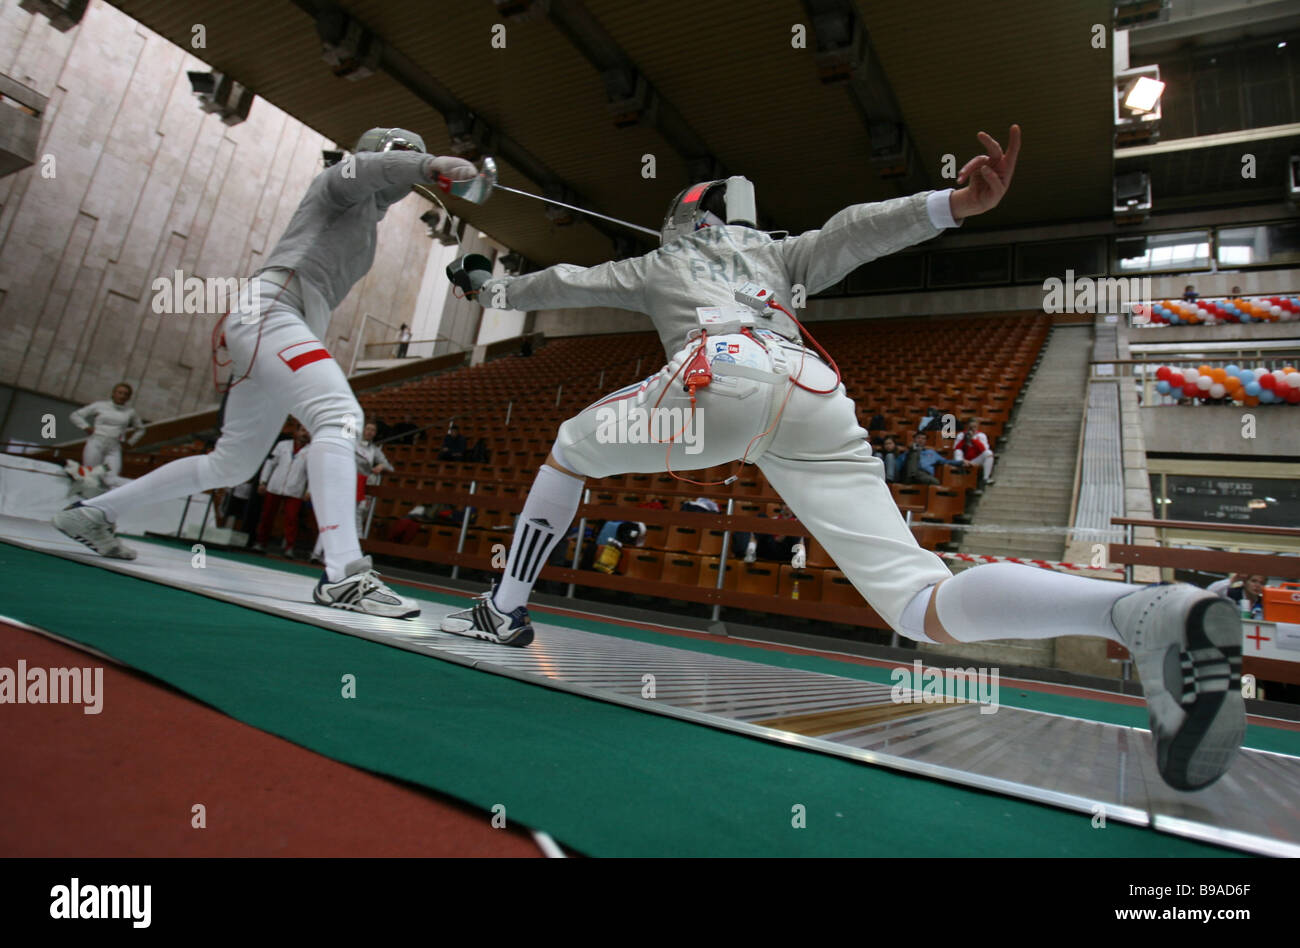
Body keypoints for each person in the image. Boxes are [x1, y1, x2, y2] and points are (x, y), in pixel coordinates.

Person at [440, 125, 1242, 792]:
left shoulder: (659, 262)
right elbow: (857, 229)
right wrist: (953, 204)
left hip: (714, 381)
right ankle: (1138, 612)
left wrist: (486, 284)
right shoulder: (780, 257)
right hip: (813, 392)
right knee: (918, 597)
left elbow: (565, 282)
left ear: (682, 218)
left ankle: (505, 609)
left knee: (570, 448)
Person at [52, 127, 478, 617]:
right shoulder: (338, 183)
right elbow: (368, 169)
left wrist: (423, 166)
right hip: (271, 313)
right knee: (339, 417)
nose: (408, 169)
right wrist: (429, 166)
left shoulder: (365, 219)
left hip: (280, 327)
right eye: (404, 158)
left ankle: (93, 513)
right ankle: (343, 575)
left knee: (230, 465)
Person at [253, 423, 312, 557]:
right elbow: (270, 464)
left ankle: (289, 547)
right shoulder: (282, 445)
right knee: (267, 515)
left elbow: (313, 473)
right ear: (296, 432)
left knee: (291, 519)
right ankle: (261, 542)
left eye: (308, 431)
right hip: (275, 486)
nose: (305, 434)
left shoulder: (312, 451)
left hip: (295, 489)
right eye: (303, 430)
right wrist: (263, 481)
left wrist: (309, 490)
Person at [70, 382, 146, 485]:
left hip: (114, 448)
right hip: (96, 444)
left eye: (126, 394)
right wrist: (86, 427)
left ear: (128, 397)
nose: (122, 396)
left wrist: (130, 443)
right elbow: (75, 415)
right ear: (113, 393)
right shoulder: (100, 405)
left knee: (112, 479)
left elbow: (141, 429)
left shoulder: (130, 412)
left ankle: (138, 486)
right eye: (120, 392)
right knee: (90, 475)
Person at [952, 417, 995, 486]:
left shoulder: (981, 435)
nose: (973, 429)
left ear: (977, 426)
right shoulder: (961, 435)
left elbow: (984, 449)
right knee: (958, 451)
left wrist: (973, 439)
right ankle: (960, 465)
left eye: (974, 427)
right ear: (967, 427)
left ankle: (986, 478)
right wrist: (964, 439)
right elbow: (956, 448)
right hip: (964, 460)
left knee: (989, 453)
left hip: (976, 460)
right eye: (971, 427)